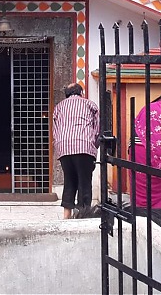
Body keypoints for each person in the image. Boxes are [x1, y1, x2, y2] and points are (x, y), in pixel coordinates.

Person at [52, 82, 99, 219]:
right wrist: (93, 147)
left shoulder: (59, 107)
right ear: (81, 93)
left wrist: (61, 146)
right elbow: (97, 130)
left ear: (66, 95)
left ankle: (66, 216)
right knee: (84, 182)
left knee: (69, 180)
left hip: (64, 148)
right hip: (84, 147)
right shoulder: (90, 105)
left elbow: (55, 131)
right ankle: (82, 216)